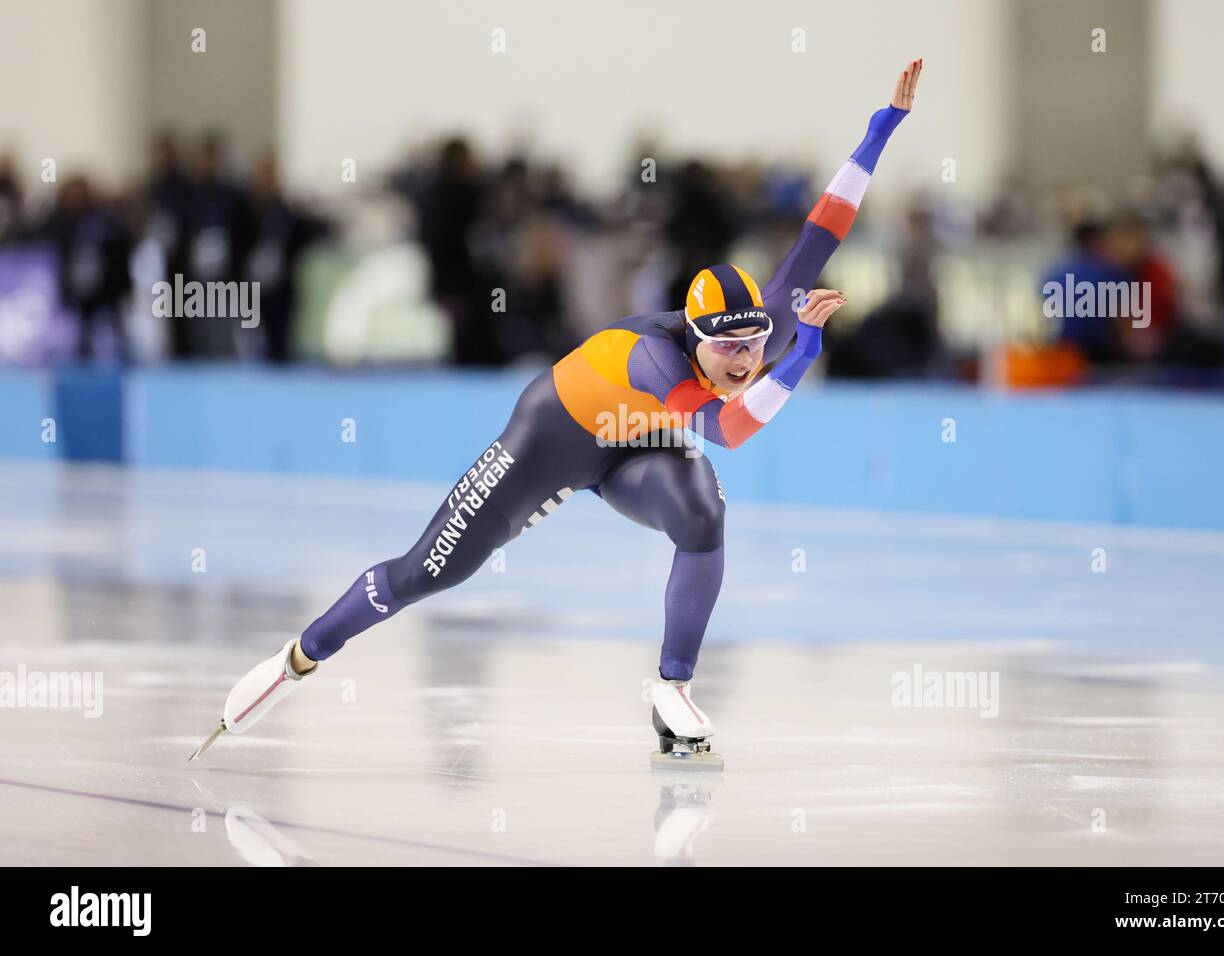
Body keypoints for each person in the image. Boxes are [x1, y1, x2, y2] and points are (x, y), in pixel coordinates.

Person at [192, 59, 924, 769]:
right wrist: (799, 359)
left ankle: (672, 691)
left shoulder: (766, 322)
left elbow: (823, 228)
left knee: (702, 511)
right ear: (696, 338)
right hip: (551, 438)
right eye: (729, 347)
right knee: (428, 572)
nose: (744, 359)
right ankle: (298, 657)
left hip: (631, 443)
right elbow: (730, 427)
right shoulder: (660, 363)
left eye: (756, 343)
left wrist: (882, 125)